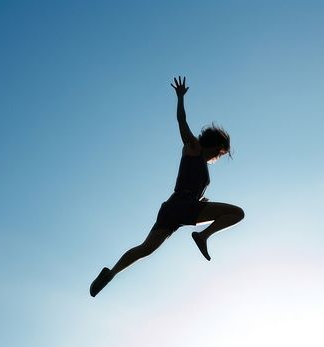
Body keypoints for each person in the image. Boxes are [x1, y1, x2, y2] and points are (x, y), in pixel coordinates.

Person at [90, 76, 245, 297]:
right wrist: (180, 98)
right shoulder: (194, 147)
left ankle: (111, 272)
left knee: (145, 249)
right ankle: (203, 236)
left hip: (173, 209)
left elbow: (187, 184)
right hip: (182, 206)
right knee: (237, 213)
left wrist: (199, 201)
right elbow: (182, 122)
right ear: (214, 145)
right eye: (219, 152)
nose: (217, 157)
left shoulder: (199, 160)